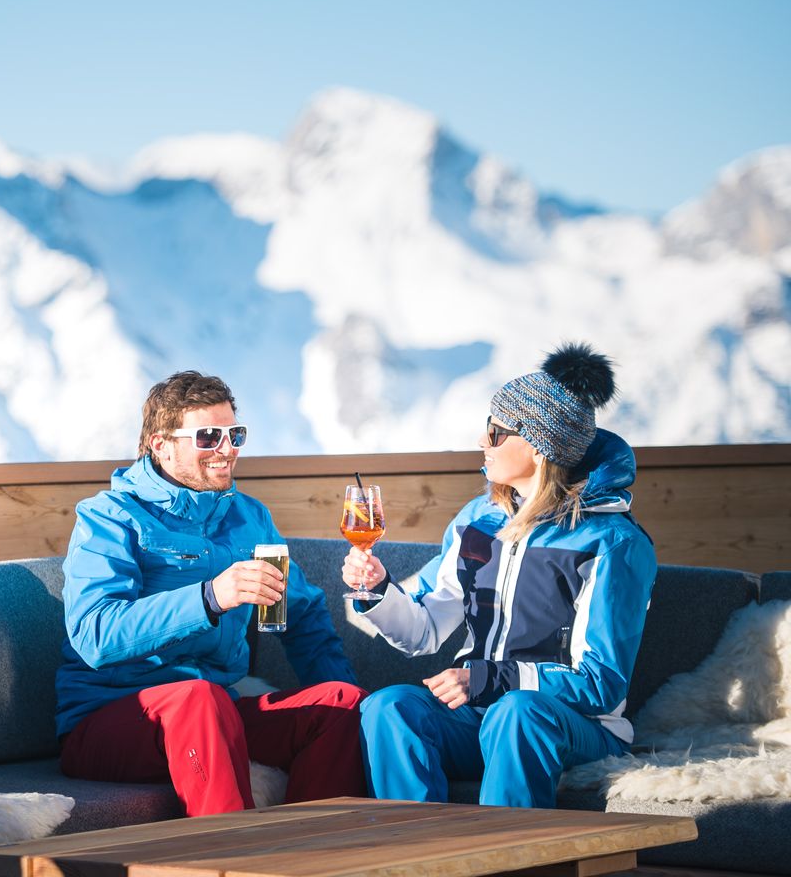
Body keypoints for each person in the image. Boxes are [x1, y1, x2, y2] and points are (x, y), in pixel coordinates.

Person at [343, 343, 657, 808]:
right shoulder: (479, 520)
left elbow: (600, 682)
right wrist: (377, 591)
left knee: (517, 713)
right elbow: (426, 630)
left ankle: (501, 859)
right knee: (390, 707)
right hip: (483, 715)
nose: (481, 441)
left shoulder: (612, 542)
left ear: (536, 444)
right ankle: (415, 854)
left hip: (572, 725)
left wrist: (493, 679)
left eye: (494, 431)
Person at [56, 370, 366, 817]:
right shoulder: (109, 518)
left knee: (341, 703)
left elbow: (302, 618)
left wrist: (360, 709)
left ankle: (304, 851)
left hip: (216, 709)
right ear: (161, 444)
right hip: (112, 718)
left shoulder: (249, 518)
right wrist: (209, 598)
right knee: (199, 699)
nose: (227, 449)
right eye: (208, 436)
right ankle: (234, 859)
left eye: (234, 433)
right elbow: (96, 634)